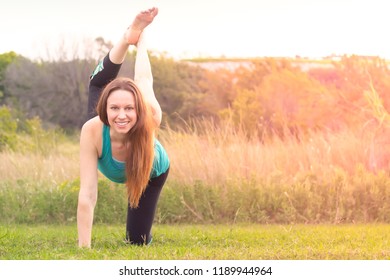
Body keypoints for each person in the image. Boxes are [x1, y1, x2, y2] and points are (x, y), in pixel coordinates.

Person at [77, 7, 169, 247]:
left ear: (138, 109)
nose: (121, 115)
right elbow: (87, 193)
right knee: (97, 84)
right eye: (114, 108)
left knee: (137, 242)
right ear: (104, 109)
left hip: (150, 173)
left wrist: (143, 39)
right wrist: (83, 248)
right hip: (101, 126)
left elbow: (143, 79)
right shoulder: (92, 129)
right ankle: (126, 37)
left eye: (129, 108)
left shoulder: (150, 116)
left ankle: (134, 35)